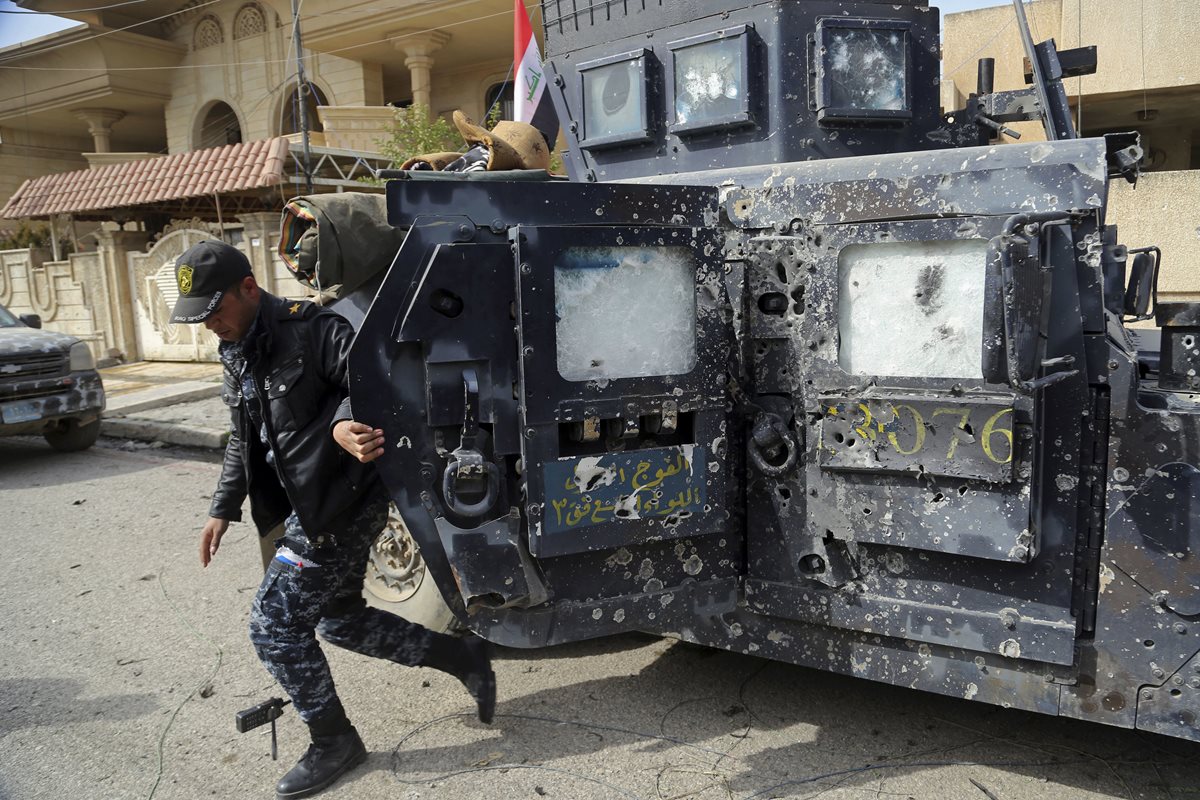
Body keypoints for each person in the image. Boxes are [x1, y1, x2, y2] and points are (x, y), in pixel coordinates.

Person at [171, 240, 495, 799]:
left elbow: (374, 383)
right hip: (302, 502)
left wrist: (344, 423)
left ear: (249, 287)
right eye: (201, 319)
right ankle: (461, 654)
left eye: (215, 311)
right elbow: (242, 438)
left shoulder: (313, 329)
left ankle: (333, 742)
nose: (211, 326)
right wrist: (222, 508)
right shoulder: (237, 347)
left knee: (273, 627)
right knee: (338, 618)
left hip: (340, 502)